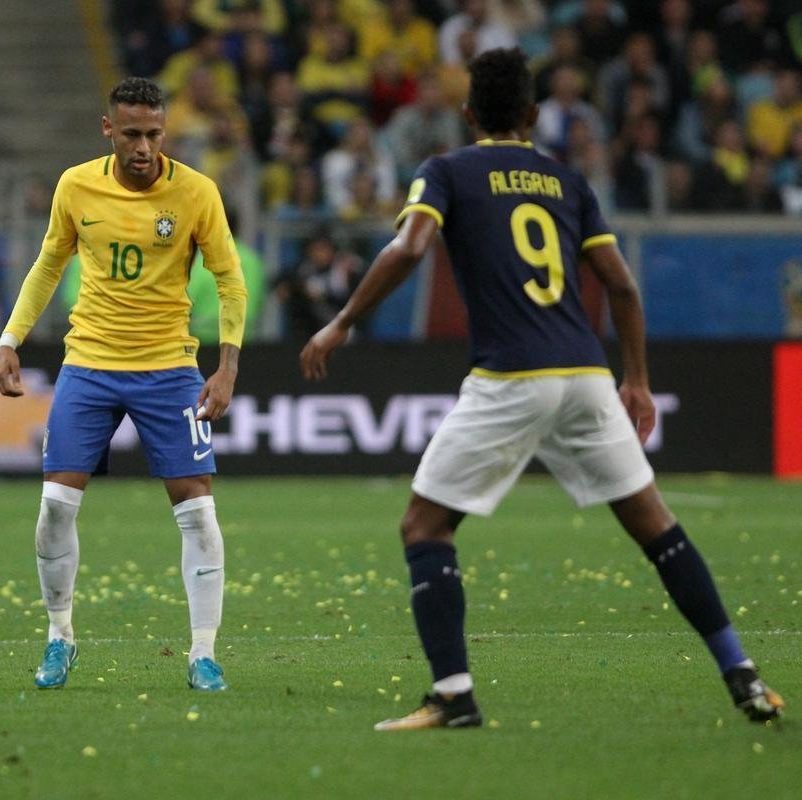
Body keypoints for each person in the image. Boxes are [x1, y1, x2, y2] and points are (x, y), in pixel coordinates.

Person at [299, 48, 784, 731]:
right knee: (655, 524)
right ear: (532, 115)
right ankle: (744, 674)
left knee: (425, 526)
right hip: (585, 375)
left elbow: (409, 248)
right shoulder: (568, 182)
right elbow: (621, 284)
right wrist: (637, 380)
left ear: (469, 115)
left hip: (512, 376)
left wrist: (342, 322)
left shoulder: (446, 170)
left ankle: (454, 695)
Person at [0, 77, 247, 693]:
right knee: (55, 507)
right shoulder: (76, 185)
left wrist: (227, 365)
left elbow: (230, 279)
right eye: (132, 133)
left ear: (166, 131)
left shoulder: (196, 192)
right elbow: (51, 260)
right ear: (108, 129)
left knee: (200, 514)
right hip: (90, 364)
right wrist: (10, 338)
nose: (144, 146)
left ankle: (203, 654)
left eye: (154, 134)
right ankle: (60, 639)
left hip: (168, 369)